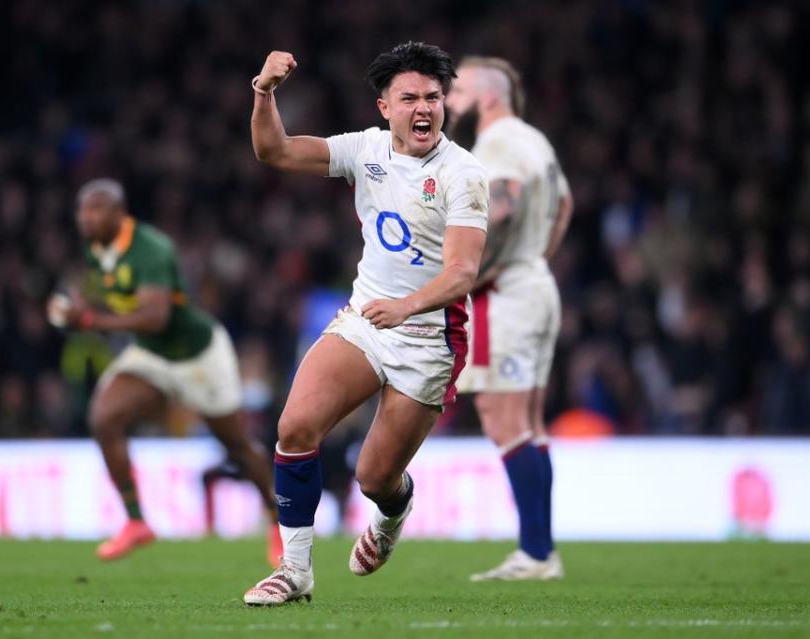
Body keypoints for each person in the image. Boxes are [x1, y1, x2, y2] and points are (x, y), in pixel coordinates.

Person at [242, 42, 488, 606]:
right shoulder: (365, 149)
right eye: (409, 98)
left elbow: (463, 272)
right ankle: (295, 571)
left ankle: (392, 511)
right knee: (295, 427)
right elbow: (273, 152)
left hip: (429, 338)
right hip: (366, 321)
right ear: (384, 107)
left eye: (432, 97)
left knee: (374, 478)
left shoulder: (463, 174)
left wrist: (406, 307)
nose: (423, 108)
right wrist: (263, 92)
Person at [46, 178, 282, 565]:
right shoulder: (95, 250)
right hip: (153, 355)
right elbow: (120, 303)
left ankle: (277, 521)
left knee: (237, 446)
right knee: (104, 418)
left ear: (120, 213)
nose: (85, 218)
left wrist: (87, 319)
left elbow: (155, 317)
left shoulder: (151, 249)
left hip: (198, 355)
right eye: (82, 210)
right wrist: (71, 310)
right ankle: (137, 522)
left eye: (96, 209)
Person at [446, 57, 574, 581]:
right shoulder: (535, 140)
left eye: (457, 93)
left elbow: (500, 208)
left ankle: (536, 554)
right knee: (531, 423)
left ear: (488, 97)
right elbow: (564, 206)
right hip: (537, 283)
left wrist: (474, 272)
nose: (449, 103)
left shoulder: (496, 144)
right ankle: (541, 551)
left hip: (505, 296)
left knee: (504, 420)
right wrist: (534, 257)